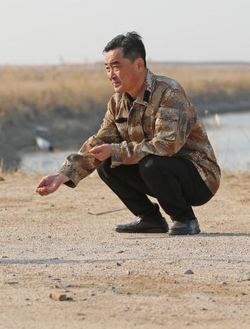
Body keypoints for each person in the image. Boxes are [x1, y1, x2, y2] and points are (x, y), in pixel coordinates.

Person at [36, 32, 220, 235]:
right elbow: (100, 142)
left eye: (116, 66)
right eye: (107, 68)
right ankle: (150, 219)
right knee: (107, 165)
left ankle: (185, 219)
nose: (111, 75)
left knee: (150, 163)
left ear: (139, 65)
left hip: (199, 178)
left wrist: (115, 150)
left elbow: (167, 146)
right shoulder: (117, 102)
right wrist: (62, 175)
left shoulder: (169, 92)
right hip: (160, 172)